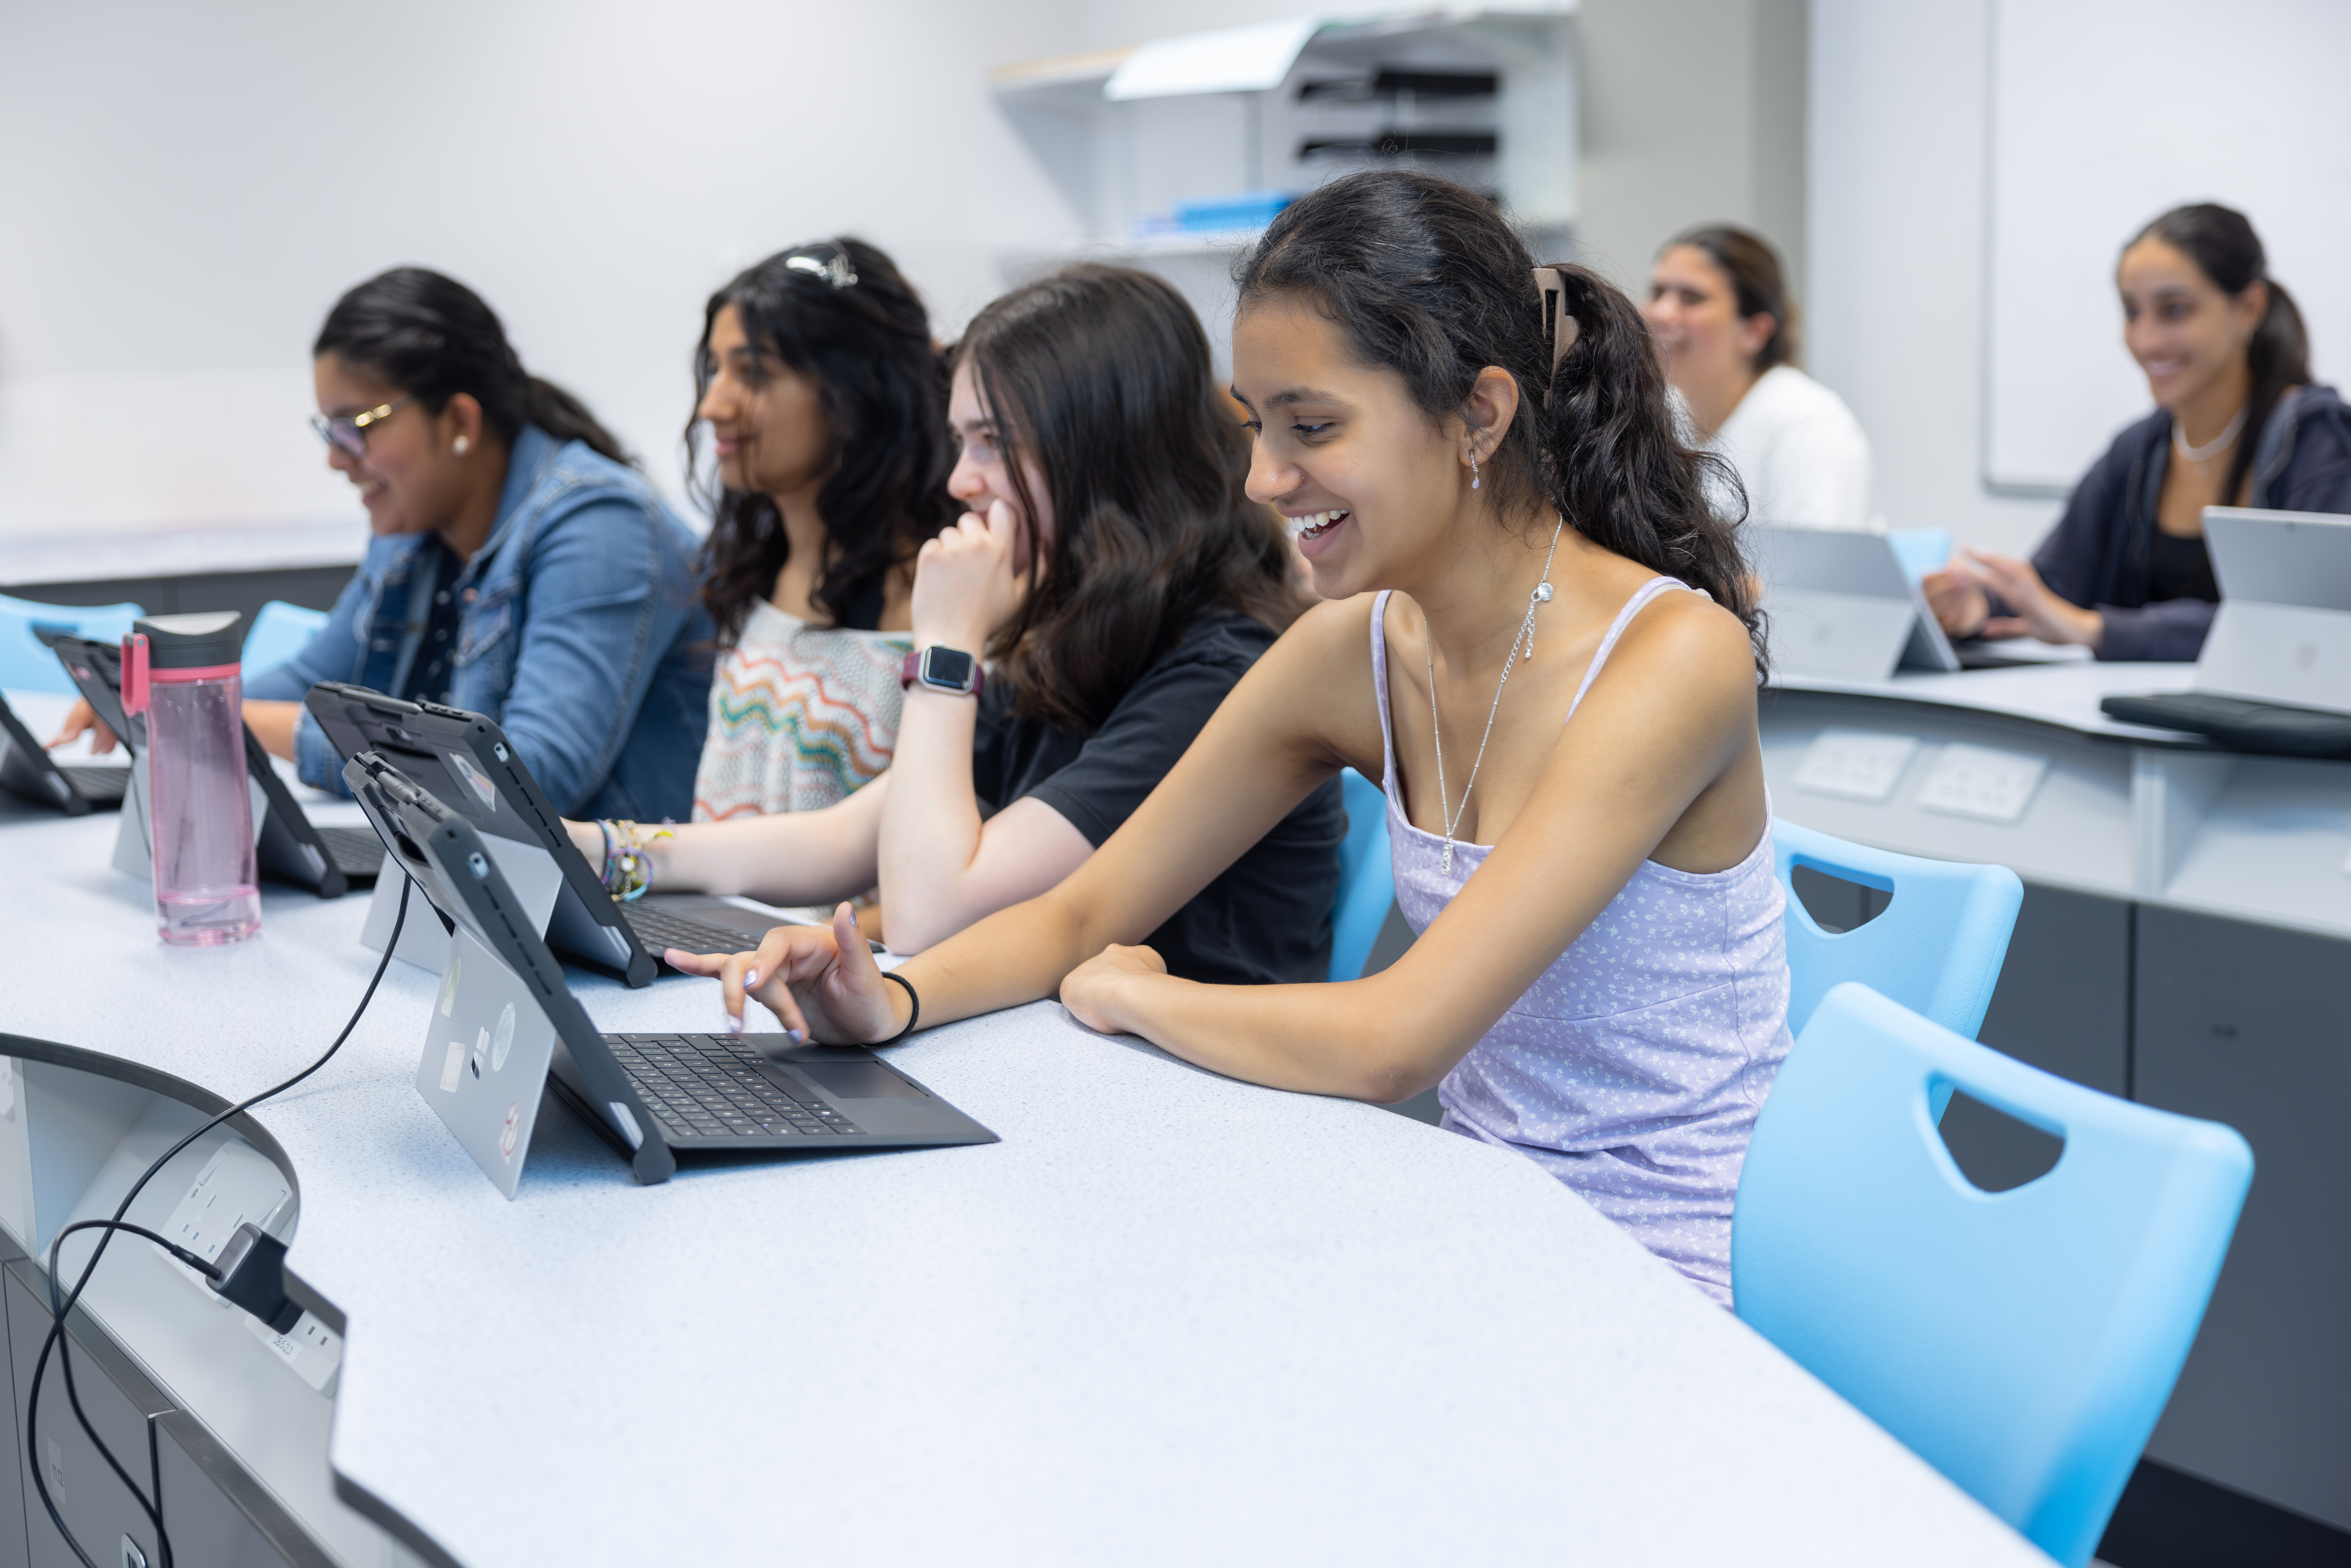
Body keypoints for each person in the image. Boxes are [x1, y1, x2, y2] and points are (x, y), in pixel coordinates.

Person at [675, 172, 1792, 1307]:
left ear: (1480, 416)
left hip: (1657, 1275)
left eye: (1312, 426)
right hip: (1476, 1221)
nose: (1263, 477)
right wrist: (894, 1003)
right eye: (1257, 426)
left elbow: (1393, 1040)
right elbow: (1077, 912)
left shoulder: (1671, 659)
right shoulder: (1352, 650)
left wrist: (1137, 995)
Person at [579, 264, 1342, 979]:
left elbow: (927, 914)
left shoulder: (1218, 670)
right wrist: (609, 852)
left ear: (1100, 457)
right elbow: (844, 838)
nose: (959, 480)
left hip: (1182, 1103)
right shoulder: (1079, 632)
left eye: (992, 443)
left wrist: (947, 646)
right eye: (959, 440)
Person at [50, 267, 712, 818]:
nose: (339, 461)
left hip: (636, 931)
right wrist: (173, 697)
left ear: (458, 421)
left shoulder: (602, 524)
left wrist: (215, 717)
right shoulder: (414, 530)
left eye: (356, 427)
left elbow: (528, 781)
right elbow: (309, 684)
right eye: (329, 431)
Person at [1925, 204, 2351, 661]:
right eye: (2132, 312)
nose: (2146, 341)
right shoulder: (2138, 450)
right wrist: (1979, 605)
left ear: (2249, 308)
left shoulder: (2318, 442)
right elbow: (2053, 588)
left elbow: (2299, 625)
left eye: (2175, 310)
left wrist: (2095, 630)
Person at [689, 239, 956, 823]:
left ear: (855, 392)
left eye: (753, 372)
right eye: (715, 368)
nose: (712, 404)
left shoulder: (935, 596)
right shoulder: (750, 565)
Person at [1642, 224, 1883, 533]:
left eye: (1691, 298)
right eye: (1658, 292)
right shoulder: (1661, 412)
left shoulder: (1808, 422)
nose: (1661, 313)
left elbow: (1821, 574)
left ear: (1754, 332)